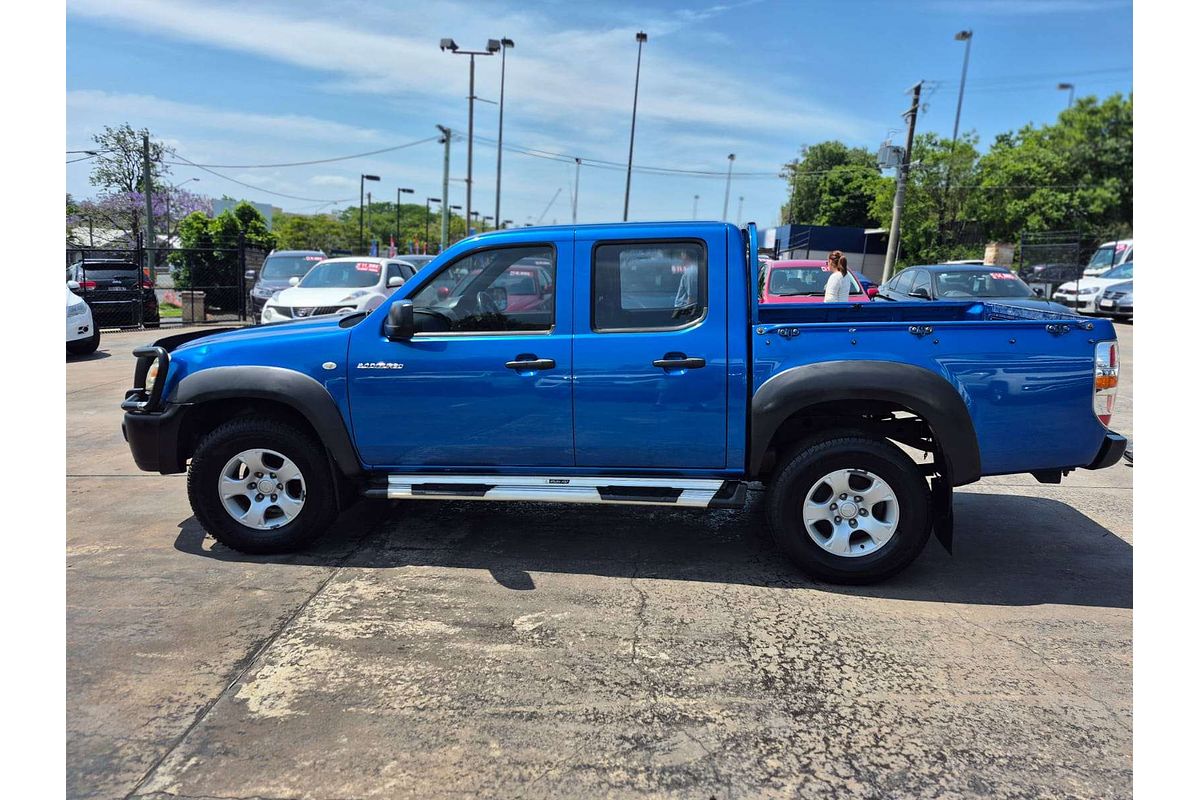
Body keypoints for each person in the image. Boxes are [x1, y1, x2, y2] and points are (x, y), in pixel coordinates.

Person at [674, 248, 700, 315]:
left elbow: (692, 298)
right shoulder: (693, 269)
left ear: (685, 256)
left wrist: (677, 316)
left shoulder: (691, 272)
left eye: (682, 254)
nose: (680, 257)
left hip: (682, 312)